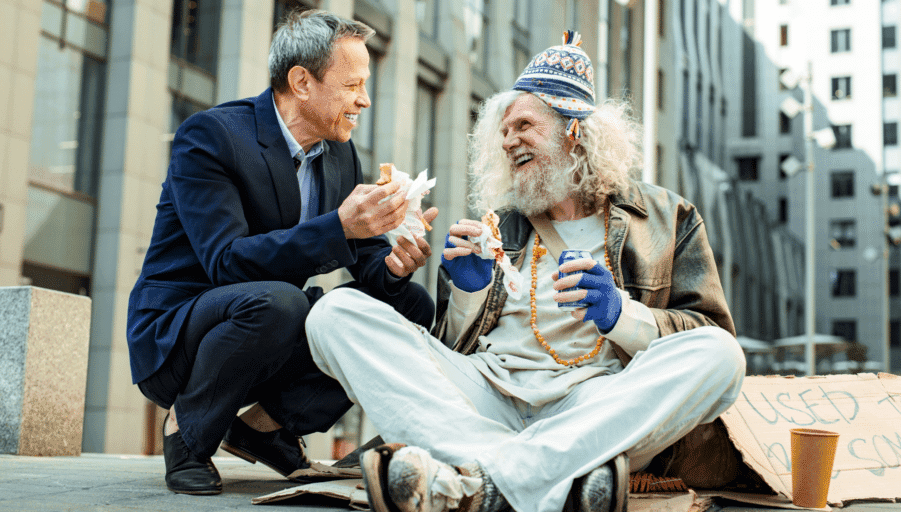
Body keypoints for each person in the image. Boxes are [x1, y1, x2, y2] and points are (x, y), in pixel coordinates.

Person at [305, 31, 744, 512]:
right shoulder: (501, 226)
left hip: (593, 405)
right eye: (503, 131)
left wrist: (623, 316)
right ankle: (544, 474)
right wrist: (469, 291)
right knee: (335, 312)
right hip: (485, 396)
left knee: (720, 355)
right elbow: (447, 357)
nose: (508, 140)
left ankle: (476, 480)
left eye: (522, 126)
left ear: (573, 131)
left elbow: (707, 331)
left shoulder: (667, 217)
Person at [126, 10, 437, 496]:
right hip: (179, 333)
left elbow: (365, 258)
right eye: (352, 85)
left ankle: (264, 428)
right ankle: (186, 434)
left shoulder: (339, 153)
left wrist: (394, 267)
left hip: (268, 330)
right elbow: (225, 261)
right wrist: (339, 226)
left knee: (410, 307)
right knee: (280, 301)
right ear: (302, 82)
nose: (365, 100)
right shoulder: (211, 136)